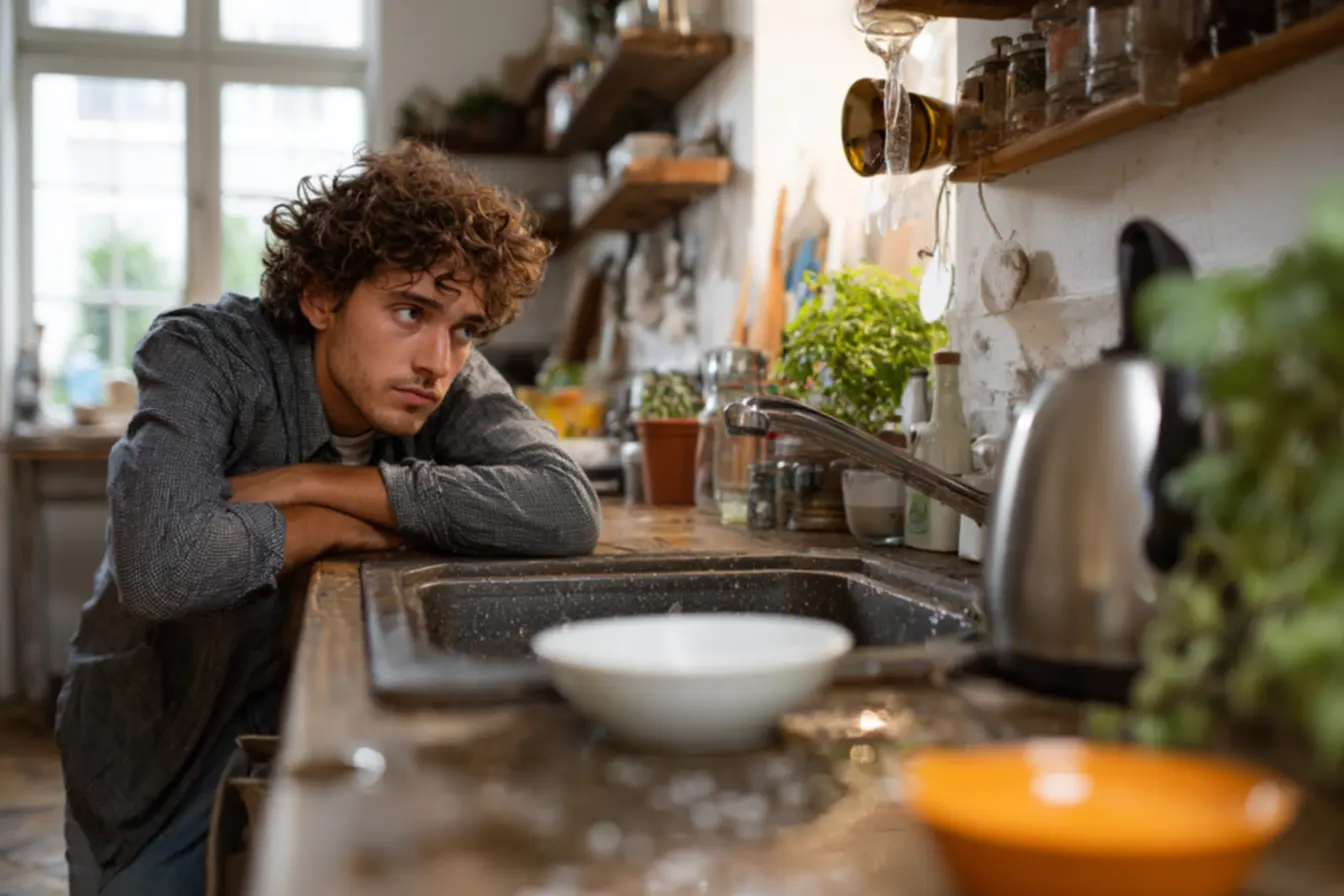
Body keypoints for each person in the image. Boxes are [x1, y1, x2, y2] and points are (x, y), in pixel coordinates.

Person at [57, 141, 602, 895]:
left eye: (464, 327)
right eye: (408, 311)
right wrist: (328, 525)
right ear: (321, 298)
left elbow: (566, 509)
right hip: (157, 737)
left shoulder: (442, 370)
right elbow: (163, 568)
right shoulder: (205, 354)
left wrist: (316, 483)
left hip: (298, 714)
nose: (437, 361)